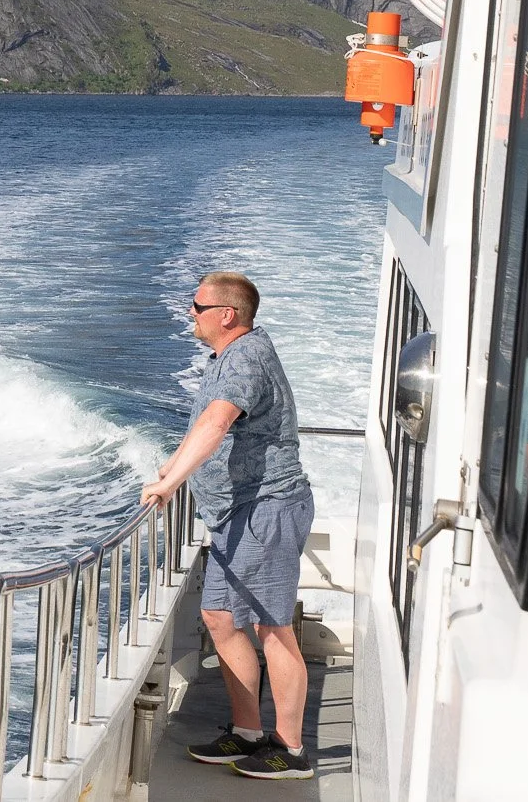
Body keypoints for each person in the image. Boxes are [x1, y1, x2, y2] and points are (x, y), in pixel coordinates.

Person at [139, 271, 316, 781]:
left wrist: (170, 487)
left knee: (271, 627)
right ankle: (248, 732)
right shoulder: (225, 357)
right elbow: (203, 425)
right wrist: (171, 470)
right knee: (219, 617)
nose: (189, 313)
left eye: (196, 306)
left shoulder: (247, 358)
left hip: (267, 508)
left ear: (227, 315)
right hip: (235, 516)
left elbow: (217, 424)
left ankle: (291, 749)